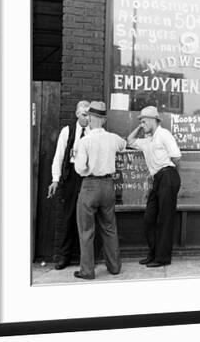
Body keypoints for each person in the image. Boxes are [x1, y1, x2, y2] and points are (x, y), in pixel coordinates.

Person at [73, 101, 126, 280]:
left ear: (91, 118)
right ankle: (114, 267)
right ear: (103, 120)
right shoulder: (113, 138)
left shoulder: (85, 141)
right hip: (108, 185)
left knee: (86, 230)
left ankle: (87, 270)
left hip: (90, 185)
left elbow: (79, 168)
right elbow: (124, 145)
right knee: (109, 227)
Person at [127, 106, 181, 268]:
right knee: (149, 219)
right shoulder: (147, 140)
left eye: (144, 121)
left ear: (153, 120)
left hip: (168, 175)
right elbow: (129, 141)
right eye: (141, 122)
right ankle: (153, 253)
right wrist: (139, 127)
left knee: (165, 219)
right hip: (157, 179)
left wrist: (173, 178)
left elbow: (176, 157)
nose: (142, 124)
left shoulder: (164, 134)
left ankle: (162, 258)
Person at [47, 100, 91, 270]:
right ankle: (64, 256)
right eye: (84, 114)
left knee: (86, 218)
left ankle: (85, 258)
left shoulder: (93, 132)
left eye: (89, 114)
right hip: (70, 177)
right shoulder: (67, 131)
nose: (87, 118)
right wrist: (55, 179)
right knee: (67, 217)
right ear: (77, 114)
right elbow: (58, 156)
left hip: (87, 176)